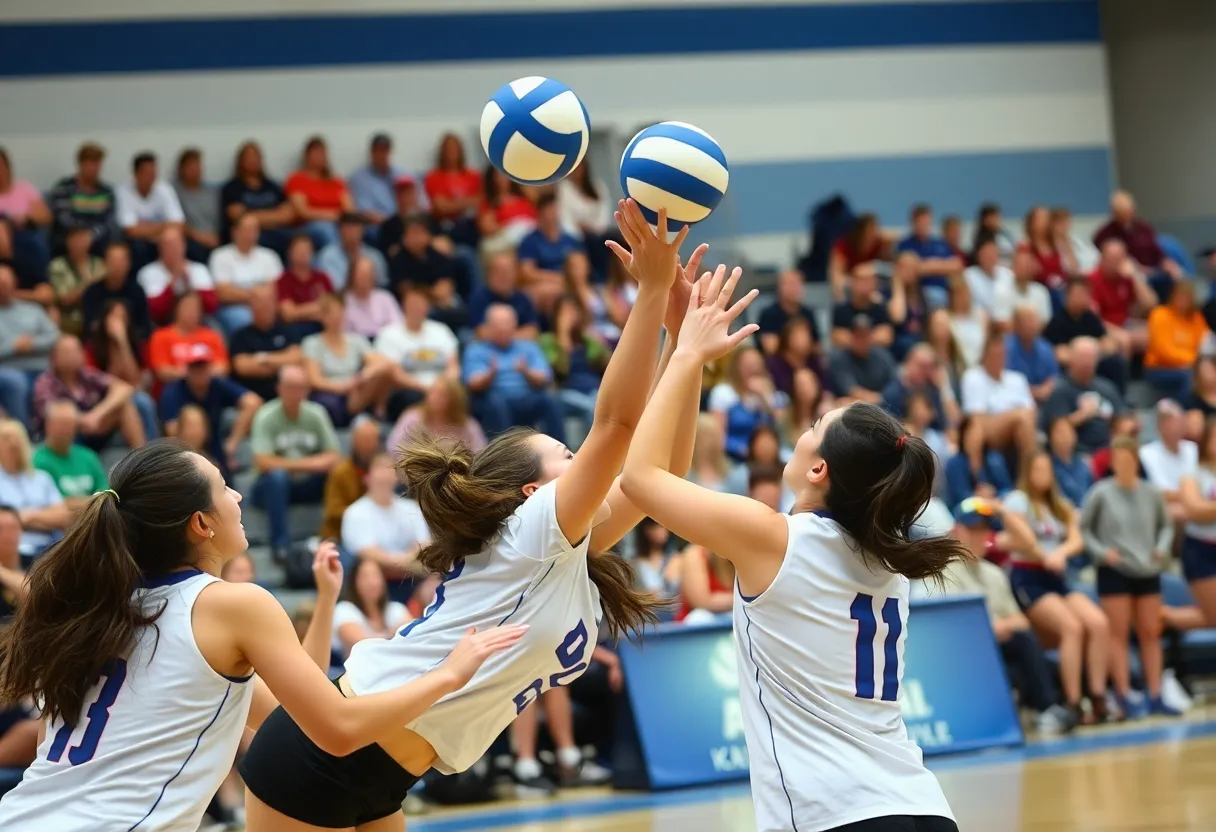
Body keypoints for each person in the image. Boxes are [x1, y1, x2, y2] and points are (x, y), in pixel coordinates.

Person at [238, 200, 696, 829]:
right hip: (320, 758)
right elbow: (617, 426)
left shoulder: (562, 555)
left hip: (386, 777)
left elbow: (662, 475)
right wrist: (649, 292)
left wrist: (685, 344)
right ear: (531, 494)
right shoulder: (531, 534)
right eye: (566, 455)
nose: (585, 463)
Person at [0, 442, 527, 831]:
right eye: (225, 486)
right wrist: (449, 674)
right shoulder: (232, 603)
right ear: (201, 525)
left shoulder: (106, 611)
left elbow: (291, 719)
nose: (238, 493)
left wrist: (324, 603)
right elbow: (337, 730)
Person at [619, 262, 963, 831]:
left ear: (820, 467)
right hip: (921, 806)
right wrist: (684, 346)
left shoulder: (774, 537)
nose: (802, 429)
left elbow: (642, 479)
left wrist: (686, 352)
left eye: (815, 424)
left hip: (834, 816)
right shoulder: (886, 558)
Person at [942, 498, 1075, 735]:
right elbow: (955, 625)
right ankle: (1046, 708)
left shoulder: (994, 574)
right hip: (964, 655)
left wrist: (998, 626)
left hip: (1000, 647)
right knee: (1023, 643)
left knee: (1040, 658)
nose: (980, 536)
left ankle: (1046, 711)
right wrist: (994, 627)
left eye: (984, 530)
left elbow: (1021, 621)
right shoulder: (944, 571)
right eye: (973, 530)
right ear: (956, 532)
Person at [1002, 451, 1109, 723]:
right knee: (1071, 628)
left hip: (1056, 576)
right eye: (1037, 470)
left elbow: (1077, 539)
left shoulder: (1060, 505)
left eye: (1047, 470)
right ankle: (1074, 703)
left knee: (1098, 623)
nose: (1043, 475)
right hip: (1029, 577)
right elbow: (1023, 538)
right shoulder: (1018, 501)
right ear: (1028, 473)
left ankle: (1098, 697)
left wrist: (1059, 554)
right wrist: (1044, 556)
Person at [1080, 436, 1180, 718]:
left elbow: (1166, 527)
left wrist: (1160, 549)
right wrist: (1103, 553)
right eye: (1117, 458)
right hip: (1115, 570)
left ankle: (1156, 693)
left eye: (1127, 458)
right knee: (1118, 634)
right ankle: (1125, 696)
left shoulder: (1151, 493)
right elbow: (1085, 530)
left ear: (1136, 460)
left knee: (1151, 631)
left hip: (1147, 568)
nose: (1122, 463)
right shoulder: (1100, 493)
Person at [249, 366, 341, 558]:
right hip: (268, 489)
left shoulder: (316, 413)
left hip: (305, 484)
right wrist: (312, 463)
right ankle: (280, 546)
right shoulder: (266, 415)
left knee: (339, 474)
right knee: (277, 477)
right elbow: (263, 462)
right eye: (290, 387)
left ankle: (332, 536)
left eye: (300, 387)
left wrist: (287, 464)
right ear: (279, 388)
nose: (296, 393)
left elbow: (333, 457)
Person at [340, 452, 432, 603]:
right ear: (367, 477)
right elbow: (368, 553)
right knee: (369, 570)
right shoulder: (354, 513)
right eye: (379, 467)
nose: (385, 473)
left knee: (435, 579)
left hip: (413, 579)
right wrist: (406, 563)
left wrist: (404, 562)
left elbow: (424, 545)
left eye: (389, 468)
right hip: (376, 583)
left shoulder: (411, 508)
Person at [302, 293, 394, 425]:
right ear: (322, 316)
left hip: (357, 390)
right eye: (331, 313)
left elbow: (383, 363)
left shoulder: (356, 340)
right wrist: (343, 387)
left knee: (383, 371)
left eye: (340, 312)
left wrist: (361, 377)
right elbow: (314, 380)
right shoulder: (312, 343)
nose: (337, 317)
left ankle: (379, 412)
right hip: (332, 392)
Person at [0, 419, 70, 558]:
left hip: (49, 548)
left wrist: (27, 516)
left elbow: (63, 517)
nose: (14, 444)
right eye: (6, 439)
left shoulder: (42, 478)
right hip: (11, 552)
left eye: (18, 438)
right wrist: (46, 517)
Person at [32, 400, 110, 513]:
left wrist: (79, 503)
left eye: (70, 425)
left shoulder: (88, 456)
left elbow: (105, 494)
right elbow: (56, 504)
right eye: (62, 425)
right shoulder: (38, 460)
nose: (67, 430)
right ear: (48, 425)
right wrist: (94, 502)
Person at [332, 557, 412, 661]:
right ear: (354, 581)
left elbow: (413, 636)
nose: (371, 582)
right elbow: (361, 644)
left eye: (375, 576)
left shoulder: (396, 608)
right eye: (365, 577)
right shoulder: (344, 609)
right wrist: (394, 633)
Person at [387, 374, 486, 456]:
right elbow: (394, 447)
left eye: (442, 395)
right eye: (433, 393)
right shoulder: (412, 417)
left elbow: (480, 453)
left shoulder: (467, 424)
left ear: (455, 400)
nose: (436, 398)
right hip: (415, 473)